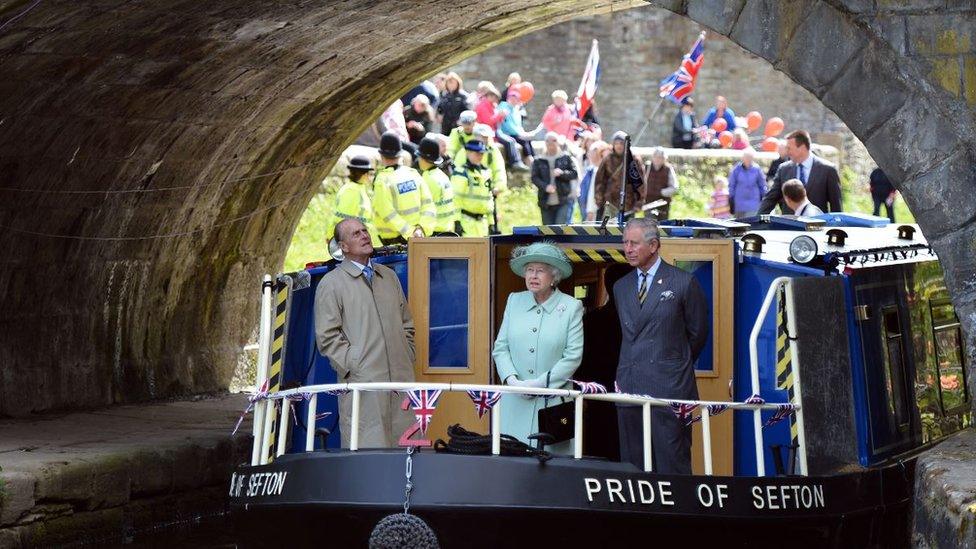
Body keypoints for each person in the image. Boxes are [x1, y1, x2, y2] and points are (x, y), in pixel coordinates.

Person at [614, 218, 709, 474]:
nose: (628, 248)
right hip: (630, 385)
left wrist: (672, 363)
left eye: (634, 243)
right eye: (625, 243)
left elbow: (698, 333)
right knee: (634, 465)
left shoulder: (682, 282)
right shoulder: (620, 287)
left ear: (654, 245)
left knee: (672, 462)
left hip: (670, 387)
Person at [314, 218, 416, 448]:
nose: (363, 235)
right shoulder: (332, 284)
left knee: (407, 454)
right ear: (343, 247)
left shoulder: (388, 277)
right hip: (363, 384)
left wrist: (407, 355)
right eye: (355, 234)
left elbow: (407, 324)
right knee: (369, 451)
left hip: (401, 382)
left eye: (364, 230)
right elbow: (327, 337)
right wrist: (354, 366)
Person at [492, 242, 583, 454]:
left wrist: (541, 384)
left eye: (540, 271)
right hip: (515, 401)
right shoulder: (514, 301)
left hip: (552, 403)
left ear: (554, 276)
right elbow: (500, 348)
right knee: (512, 465)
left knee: (552, 470)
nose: (533, 276)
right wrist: (512, 381)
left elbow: (573, 356)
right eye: (530, 270)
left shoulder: (571, 307)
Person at [575, 263, 630, 460]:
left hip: (596, 393)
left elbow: (581, 360)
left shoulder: (591, 319)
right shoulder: (635, 319)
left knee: (598, 450)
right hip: (630, 392)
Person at [372, 132, 435, 244]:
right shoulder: (413, 173)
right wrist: (420, 229)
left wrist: (409, 232)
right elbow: (428, 204)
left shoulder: (382, 180)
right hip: (419, 236)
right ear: (401, 154)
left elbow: (386, 211)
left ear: (381, 155)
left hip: (394, 242)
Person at [757, 130, 842, 214]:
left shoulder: (828, 170)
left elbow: (836, 208)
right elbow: (771, 198)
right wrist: (757, 222)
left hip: (818, 225)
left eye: (789, 148)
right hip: (790, 226)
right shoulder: (783, 169)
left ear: (802, 148)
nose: (787, 151)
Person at [326, 155, 382, 248]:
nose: (369, 177)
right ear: (363, 174)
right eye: (368, 174)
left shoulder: (359, 188)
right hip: (351, 239)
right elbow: (343, 218)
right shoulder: (352, 191)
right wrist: (334, 237)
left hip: (357, 237)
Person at [594, 131, 645, 220]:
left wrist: (639, 202)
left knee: (627, 231)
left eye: (621, 143)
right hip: (610, 202)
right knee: (608, 230)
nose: (619, 146)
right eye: (616, 143)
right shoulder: (608, 159)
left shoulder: (634, 160)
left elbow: (639, 184)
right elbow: (600, 181)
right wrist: (599, 199)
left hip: (629, 203)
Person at [531, 132, 578, 225]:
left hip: (563, 199)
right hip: (546, 201)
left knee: (560, 228)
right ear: (545, 143)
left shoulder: (565, 157)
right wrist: (545, 187)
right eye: (548, 141)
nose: (551, 143)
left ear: (558, 142)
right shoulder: (538, 160)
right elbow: (534, 178)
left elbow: (574, 174)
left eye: (554, 141)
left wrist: (562, 173)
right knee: (548, 231)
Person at [451, 140, 496, 236]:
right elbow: (455, 199)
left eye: (482, 154)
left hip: (483, 225)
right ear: (468, 153)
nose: (480, 156)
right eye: (477, 154)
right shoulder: (461, 172)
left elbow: (489, 199)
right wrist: (456, 222)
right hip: (466, 224)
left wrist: (491, 222)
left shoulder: (486, 172)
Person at [417, 137, 456, 235]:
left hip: (433, 232)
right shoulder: (442, 175)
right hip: (448, 229)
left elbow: (422, 208)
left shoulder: (426, 180)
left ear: (423, 158)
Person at [497, 89, 533, 170]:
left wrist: (522, 132)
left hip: (515, 133)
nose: (513, 101)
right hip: (507, 133)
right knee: (524, 140)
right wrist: (520, 133)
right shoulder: (503, 107)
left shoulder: (515, 110)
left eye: (515, 99)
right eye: (512, 98)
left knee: (528, 139)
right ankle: (529, 162)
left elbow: (518, 125)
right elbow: (507, 125)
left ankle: (531, 160)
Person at [728, 148, 767, 218]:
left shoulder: (757, 169)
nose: (748, 159)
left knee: (750, 222)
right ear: (742, 158)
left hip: (753, 203)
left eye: (750, 157)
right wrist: (731, 198)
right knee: (738, 225)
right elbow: (732, 185)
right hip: (739, 203)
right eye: (746, 157)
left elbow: (762, 185)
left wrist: (764, 197)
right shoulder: (736, 169)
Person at [577, 140, 609, 222]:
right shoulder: (592, 170)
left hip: (598, 212)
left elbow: (593, 194)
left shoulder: (601, 171)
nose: (588, 155)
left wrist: (590, 211)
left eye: (591, 152)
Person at [644, 147, 679, 220]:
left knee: (662, 225)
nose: (657, 159)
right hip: (648, 202)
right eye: (655, 157)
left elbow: (674, 187)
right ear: (652, 157)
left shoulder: (668, 169)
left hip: (663, 203)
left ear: (664, 159)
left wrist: (662, 192)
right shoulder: (647, 167)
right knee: (649, 223)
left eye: (660, 157)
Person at [437, 72, 470, 136]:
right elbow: (440, 107)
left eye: (453, 83)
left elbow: (467, 110)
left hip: (458, 126)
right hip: (446, 126)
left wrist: (461, 120)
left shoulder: (463, 96)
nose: (451, 85)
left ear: (457, 83)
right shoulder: (445, 95)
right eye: (449, 83)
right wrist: (439, 114)